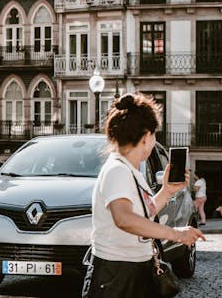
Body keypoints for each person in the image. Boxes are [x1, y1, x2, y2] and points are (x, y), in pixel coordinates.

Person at [82, 93, 205, 298]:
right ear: (146, 137)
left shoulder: (130, 171)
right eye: (155, 135)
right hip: (116, 274)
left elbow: (142, 215)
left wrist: (166, 192)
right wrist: (176, 234)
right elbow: (124, 219)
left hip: (130, 269)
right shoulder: (117, 170)